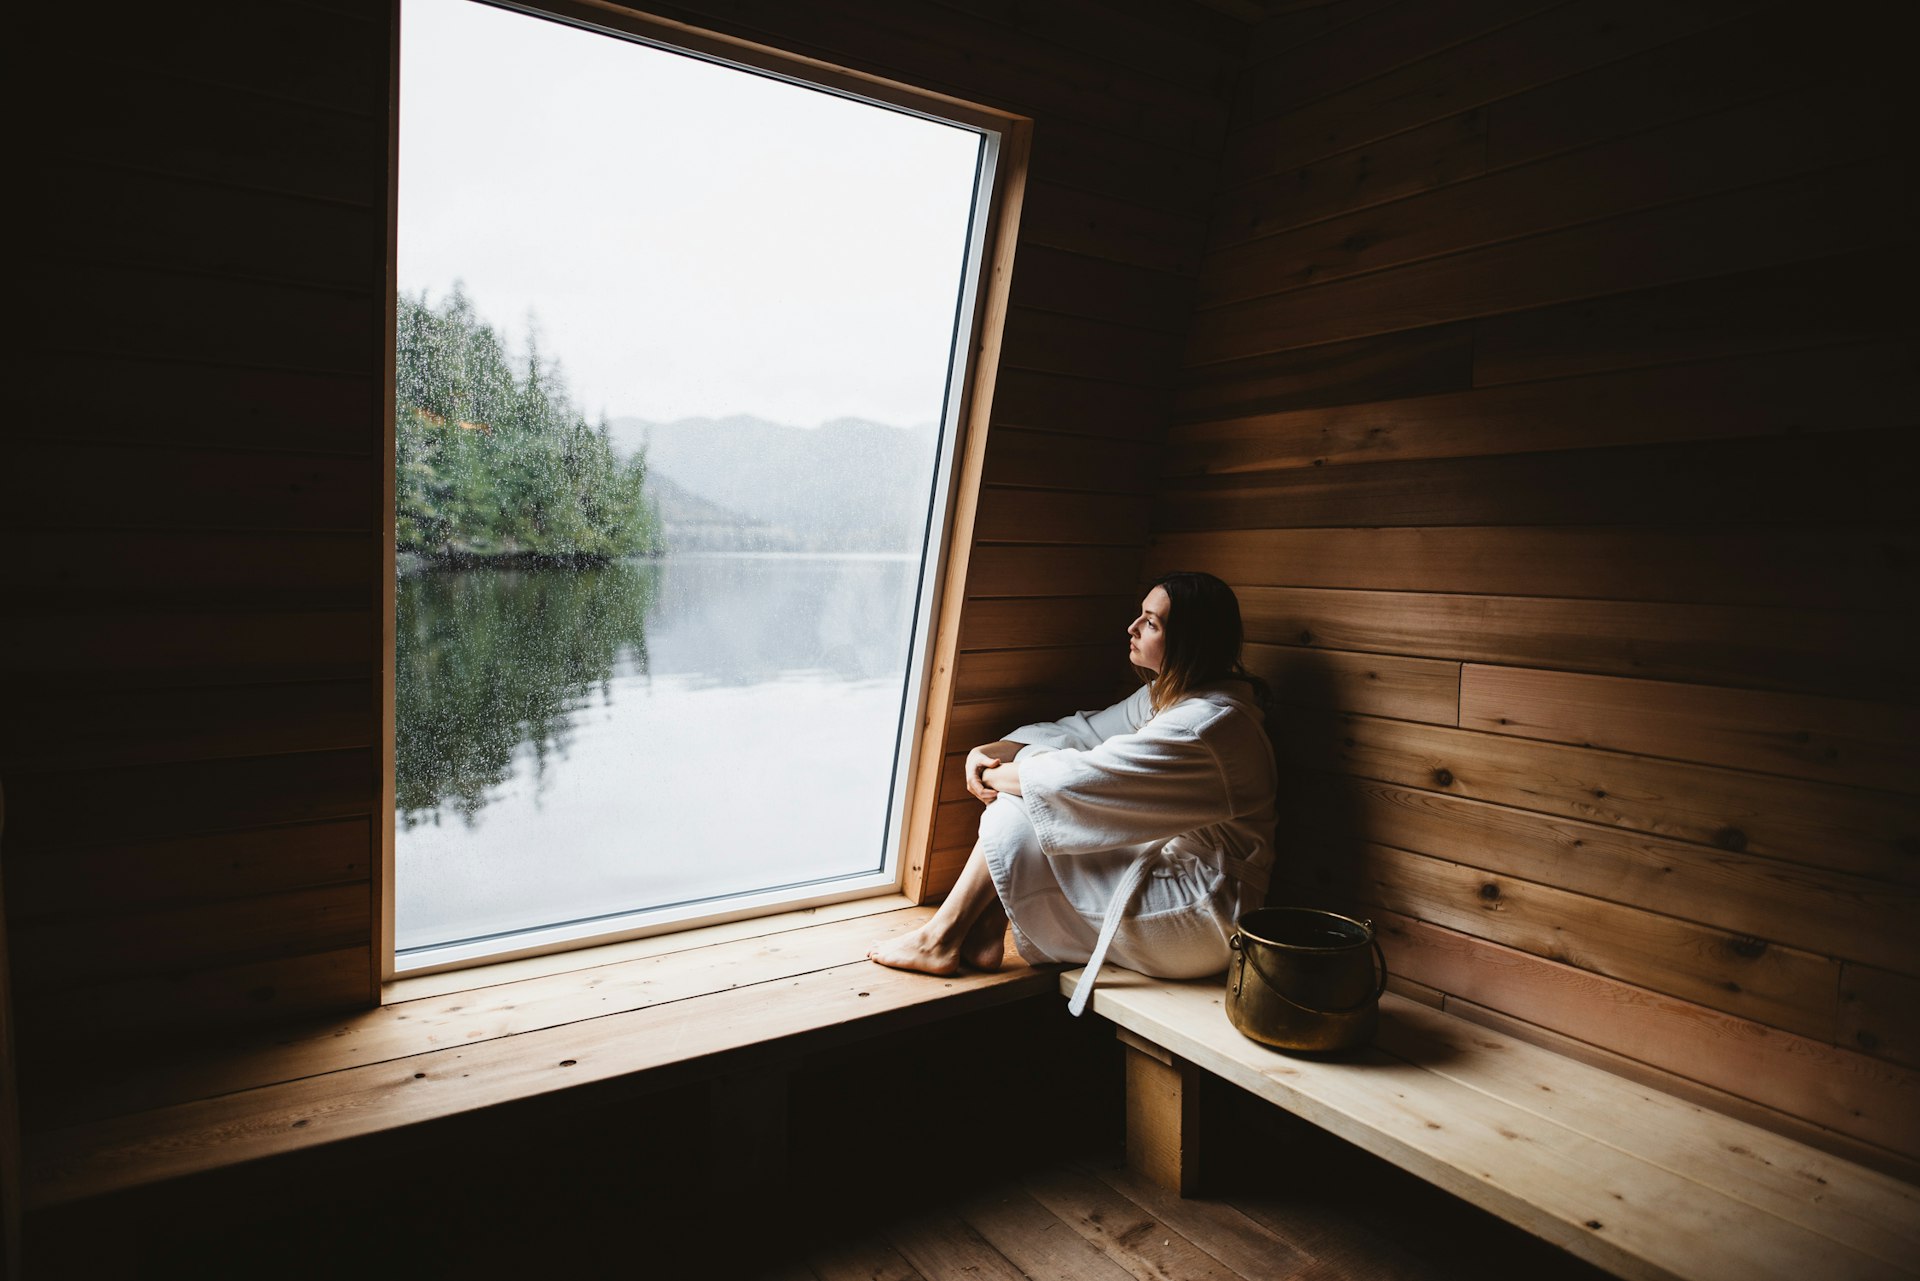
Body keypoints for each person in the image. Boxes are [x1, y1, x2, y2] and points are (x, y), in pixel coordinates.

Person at [869, 570, 1278, 1014]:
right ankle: (982, 929)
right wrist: (992, 751)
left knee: (1025, 802)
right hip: (1172, 875)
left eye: (1151, 623)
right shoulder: (1169, 697)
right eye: (1140, 617)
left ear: (1190, 643)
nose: (1132, 628)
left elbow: (1080, 781)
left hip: (1201, 912)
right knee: (1029, 795)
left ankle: (941, 936)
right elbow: (1082, 733)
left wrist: (995, 776)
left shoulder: (1209, 726)